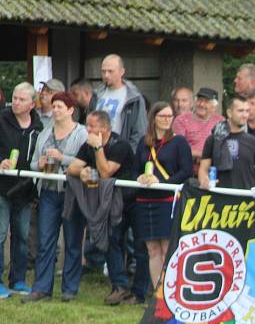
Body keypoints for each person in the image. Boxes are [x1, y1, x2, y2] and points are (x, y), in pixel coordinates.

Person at [68, 110, 149, 305]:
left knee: (140, 246)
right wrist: (83, 171)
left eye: (92, 126)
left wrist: (97, 149)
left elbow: (105, 172)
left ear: (104, 128)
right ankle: (119, 286)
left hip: (134, 200)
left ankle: (139, 292)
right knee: (111, 240)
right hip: (113, 202)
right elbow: (71, 168)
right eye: (87, 125)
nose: (87, 130)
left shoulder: (119, 144)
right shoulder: (87, 144)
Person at [23, 92, 88, 303]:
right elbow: (33, 163)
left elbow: (86, 161)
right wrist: (40, 164)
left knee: (72, 241)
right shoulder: (44, 134)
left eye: (60, 106)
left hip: (72, 193)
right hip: (49, 192)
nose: (56, 110)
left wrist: (63, 158)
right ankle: (42, 288)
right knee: (45, 240)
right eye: (54, 106)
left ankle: (69, 288)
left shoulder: (82, 133)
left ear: (71, 110)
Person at [134, 102, 193, 290]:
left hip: (168, 199)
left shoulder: (178, 142)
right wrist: (141, 177)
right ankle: (156, 293)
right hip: (145, 199)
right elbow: (135, 169)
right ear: (154, 119)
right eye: (163, 116)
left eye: (170, 116)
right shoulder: (144, 142)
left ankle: (170, 291)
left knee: (168, 248)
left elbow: (186, 171)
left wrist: (163, 184)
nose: (167, 120)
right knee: (152, 249)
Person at [0, 82, 43, 298]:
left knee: (22, 236)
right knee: (0, 235)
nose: (15, 102)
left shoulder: (39, 126)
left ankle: (18, 280)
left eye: (21, 99)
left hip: (26, 190)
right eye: (14, 98)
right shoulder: (2, 119)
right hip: (2, 187)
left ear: (32, 104)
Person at [199, 94, 255, 191]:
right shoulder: (213, 140)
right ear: (229, 113)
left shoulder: (254, 142)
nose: (245, 115)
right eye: (240, 111)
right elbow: (203, 168)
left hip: (246, 201)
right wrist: (204, 182)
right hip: (219, 198)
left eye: (247, 111)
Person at [89, 54, 147, 152]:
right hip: (96, 149)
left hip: (120, 152)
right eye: (103, 71)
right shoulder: (97, 94)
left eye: (110, 71)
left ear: (122, 72)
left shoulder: (133, 98)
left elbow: (140, 132)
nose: (106, 75)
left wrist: (129, 155)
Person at [172, 87, 225, 174]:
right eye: (200, 100)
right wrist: (202, 154)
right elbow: (178, 148)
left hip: (213, 171)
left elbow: (223, 149)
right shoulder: (181, 120)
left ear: (214, 107)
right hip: (187, 171)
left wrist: (205, 158)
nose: (201, 104)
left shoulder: (220, 121)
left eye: (206, 102)